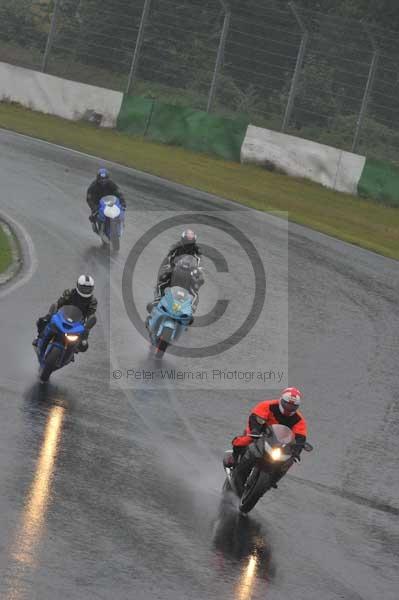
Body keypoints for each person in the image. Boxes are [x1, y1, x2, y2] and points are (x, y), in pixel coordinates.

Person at [224, 387, 308, 488]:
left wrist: (296, 451)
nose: (289, 408)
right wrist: (255, 430)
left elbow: (300, 436)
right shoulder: (268, 405)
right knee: (247, 439)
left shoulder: (299, 420)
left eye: (292, 406)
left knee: (289, 461)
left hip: (279, 443)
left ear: (297, 406)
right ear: (281, 400)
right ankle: (234, 457)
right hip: (261, 433)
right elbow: (255, 417)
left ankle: (273, 479)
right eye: (287, 404)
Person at [33, 275, 97, 353]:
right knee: (43, 321)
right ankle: (39, 338)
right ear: (78, 285)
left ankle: (71, 351)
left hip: (78, 324)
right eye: (83, 287)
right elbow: (58, 304)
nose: (85, 290)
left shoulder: (92, 301)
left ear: (92, 288)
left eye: (88, 288)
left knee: (83, 346)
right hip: (63, 317)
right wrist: (50, 314)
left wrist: (87, 327)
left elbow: (91, 315)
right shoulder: (69, 293)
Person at [148, 229, 202, 310]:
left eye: (190, 243)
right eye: (186, 241)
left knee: (194, 290)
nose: (188, 244)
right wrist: (170, 266)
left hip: (189, 274)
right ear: (183, 240)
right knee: (162, 282)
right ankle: (158, 299)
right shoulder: (176, 249)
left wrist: (198, 272)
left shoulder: (196, 252)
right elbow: (170, 258)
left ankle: (192, 307)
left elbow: (198, 262)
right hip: (176, 270)